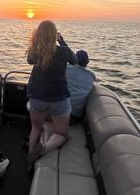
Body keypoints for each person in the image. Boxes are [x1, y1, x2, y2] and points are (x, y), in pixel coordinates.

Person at [26, 20, 77, 168]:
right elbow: (74, 61)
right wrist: (63, 42)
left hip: (37, 94)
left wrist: (36, 42)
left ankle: (30, 156)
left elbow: (30, 60)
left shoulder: (36, 51)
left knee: (36, 128)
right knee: (61, 134)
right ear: (55, 35)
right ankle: (42, 151)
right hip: (58, 97)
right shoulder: (64, 51)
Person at [66, 50, 96, 123]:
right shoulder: (92, 76)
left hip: (61, 113)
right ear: (87, 62)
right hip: (75, 117)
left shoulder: (66, 69)